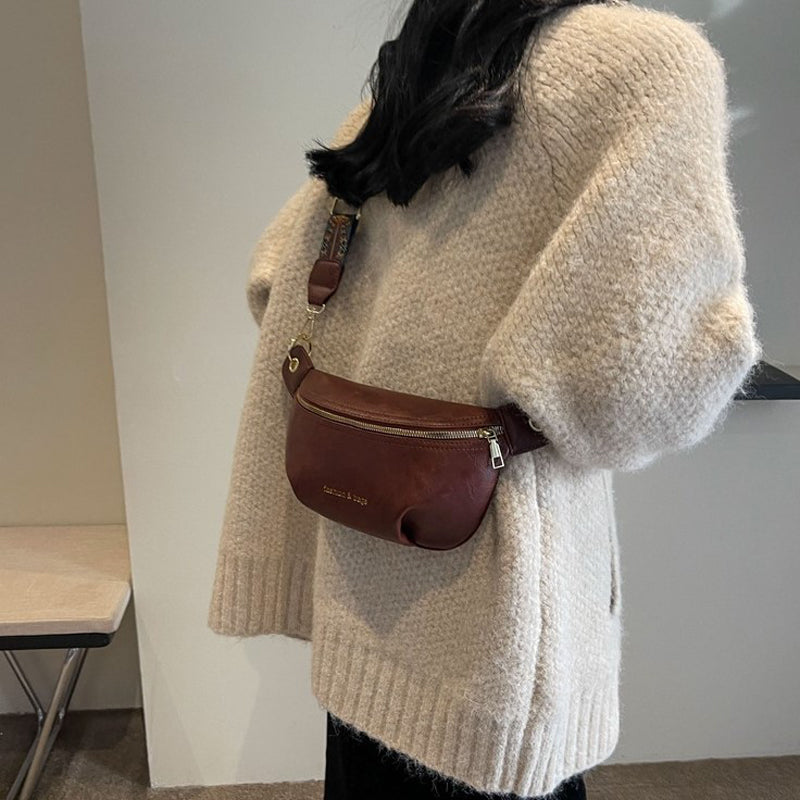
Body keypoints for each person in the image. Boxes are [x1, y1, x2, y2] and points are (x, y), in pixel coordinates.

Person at [207, 0, 762, 797]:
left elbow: (274, 277)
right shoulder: (645, 65)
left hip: (362, 576)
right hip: (492, 629)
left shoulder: (415, 81)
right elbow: (650, 381)